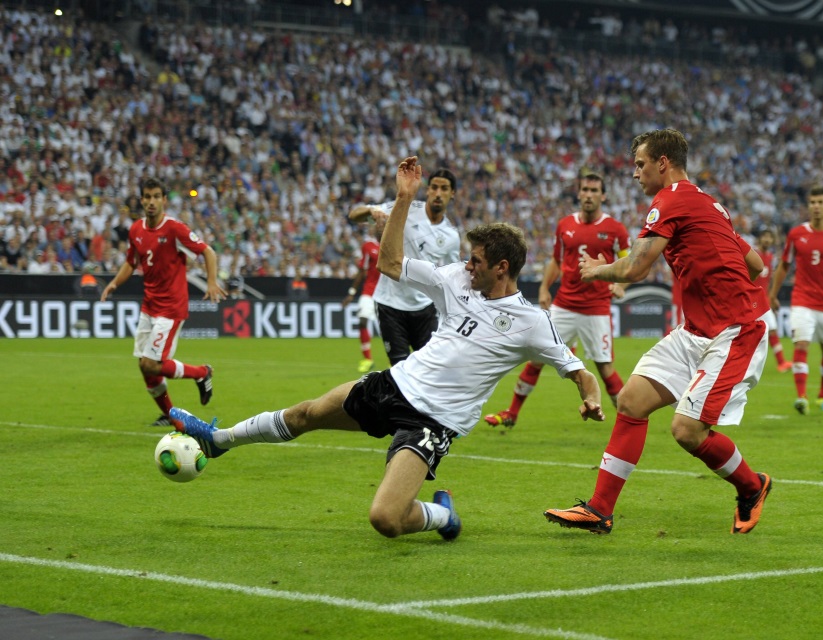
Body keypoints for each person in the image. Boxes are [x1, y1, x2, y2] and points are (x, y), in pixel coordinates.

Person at [171, 157, 604, 541]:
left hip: (433, 422)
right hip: (394, 385)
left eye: (476, 260)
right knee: (306, 414)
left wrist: (590, 395)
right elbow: (390, 264)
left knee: (386, 520)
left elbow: (576, 368)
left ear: (501, 268)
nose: (467, 265)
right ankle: (217, 441)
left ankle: (442, 515)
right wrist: (403, 199)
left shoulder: (531, 322)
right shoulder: (456, 279)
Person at [544, 129, 772, 536]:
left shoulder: (669, 200)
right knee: (631, 400)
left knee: (686, 430)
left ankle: (752, 487)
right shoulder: (708, 205)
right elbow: (754, 263)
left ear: (662, 162)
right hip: (699, 329)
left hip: (735, 331)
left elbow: (635, 269)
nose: (635, 173)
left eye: (640, 164)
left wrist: (595, 271)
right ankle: (599, 509)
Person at [484, 172, 630, 428]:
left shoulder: (615, 229)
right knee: (537, 358)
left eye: (594, 191)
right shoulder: (565, 225)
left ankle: (630, 420)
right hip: (565, 305)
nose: (588, 195)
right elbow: (556, 261)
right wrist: (544, 287)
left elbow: (629, 261)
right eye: (585, 189)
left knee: (605, 369)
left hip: (597, 308)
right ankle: (512, 413)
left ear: (603, 196)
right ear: (579, 193)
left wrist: (620, 284)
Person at [101, 177, 226, 426]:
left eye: (156, 196)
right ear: (141, 200)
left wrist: (212, 282)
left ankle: (202, 373)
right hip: (149, 307)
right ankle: (170, 415)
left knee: (152, 364)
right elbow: (131, 262)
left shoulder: (174, 229)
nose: (151, 202)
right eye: (147, 197)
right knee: (144, 366)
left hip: (170, 308)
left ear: (164, 200)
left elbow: (207, 251)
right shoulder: (136, 230)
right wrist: (115, 283)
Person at [349, 169, 461, 366]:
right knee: (400, 370)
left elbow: (454, 276)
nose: (437, 193)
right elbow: (354, 215)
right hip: (390, 305)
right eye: (434, 187)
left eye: (444, 189)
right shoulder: (405, 208)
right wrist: (370, 211)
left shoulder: (451, 237)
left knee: (429, 369)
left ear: (452, 194)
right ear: (427, 190)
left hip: (424, 308)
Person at [767, 187, 823, 414]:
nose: (816, 206)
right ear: (808, 206)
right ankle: (802, 397)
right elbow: (785, 265)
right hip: (802, 301)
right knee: (801, 344)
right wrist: (773, 294)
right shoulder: (797, 234)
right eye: (812, 202)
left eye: (820, 202)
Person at [753, 226, 792, 373]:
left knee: (773, 330)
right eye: (765, 237)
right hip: (751, 301)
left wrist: (772, 297)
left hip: (764, 301)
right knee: (752, 336)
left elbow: (768, 281)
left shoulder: (770, 257)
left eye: (770, 237)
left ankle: (781, 362)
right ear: (760, 239)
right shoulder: (753, 255)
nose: (767, 240)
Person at [342, 230, 381, 373]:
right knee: (362, 321)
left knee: (388, 327)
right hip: (369, 291)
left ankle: (393, 361)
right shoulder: (368, 246)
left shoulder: (393, 244)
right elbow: (362, 270)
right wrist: (351, 293)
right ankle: (367, 359)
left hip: (388, 294)